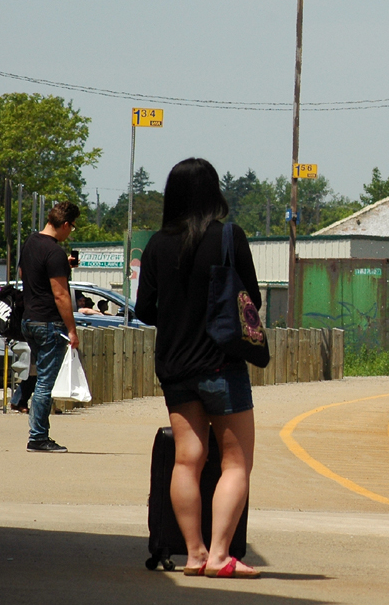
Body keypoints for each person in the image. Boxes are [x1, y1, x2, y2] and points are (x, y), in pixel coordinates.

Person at [135, 158, 260, 579]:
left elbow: (145, 309)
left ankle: (194, 554)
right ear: (214, 193)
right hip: (221, 364)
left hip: (175, 366)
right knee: (235, 463)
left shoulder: (155, 245)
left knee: (187, 460)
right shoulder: (229, 236)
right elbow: (251, 301)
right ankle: (222, 556)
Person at [18, 201, 80, 453]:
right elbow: (61, 295)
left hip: (29, 319)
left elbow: (26, 273)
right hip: (49, 323)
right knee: (46, 382)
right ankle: (38, 437)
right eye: (72, 228)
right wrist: (72, 330)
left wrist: (62, 265)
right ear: (65, 224)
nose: (70, 232)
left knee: (38, 376)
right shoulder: (54, 252)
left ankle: (36, 430)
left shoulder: (31, 242)